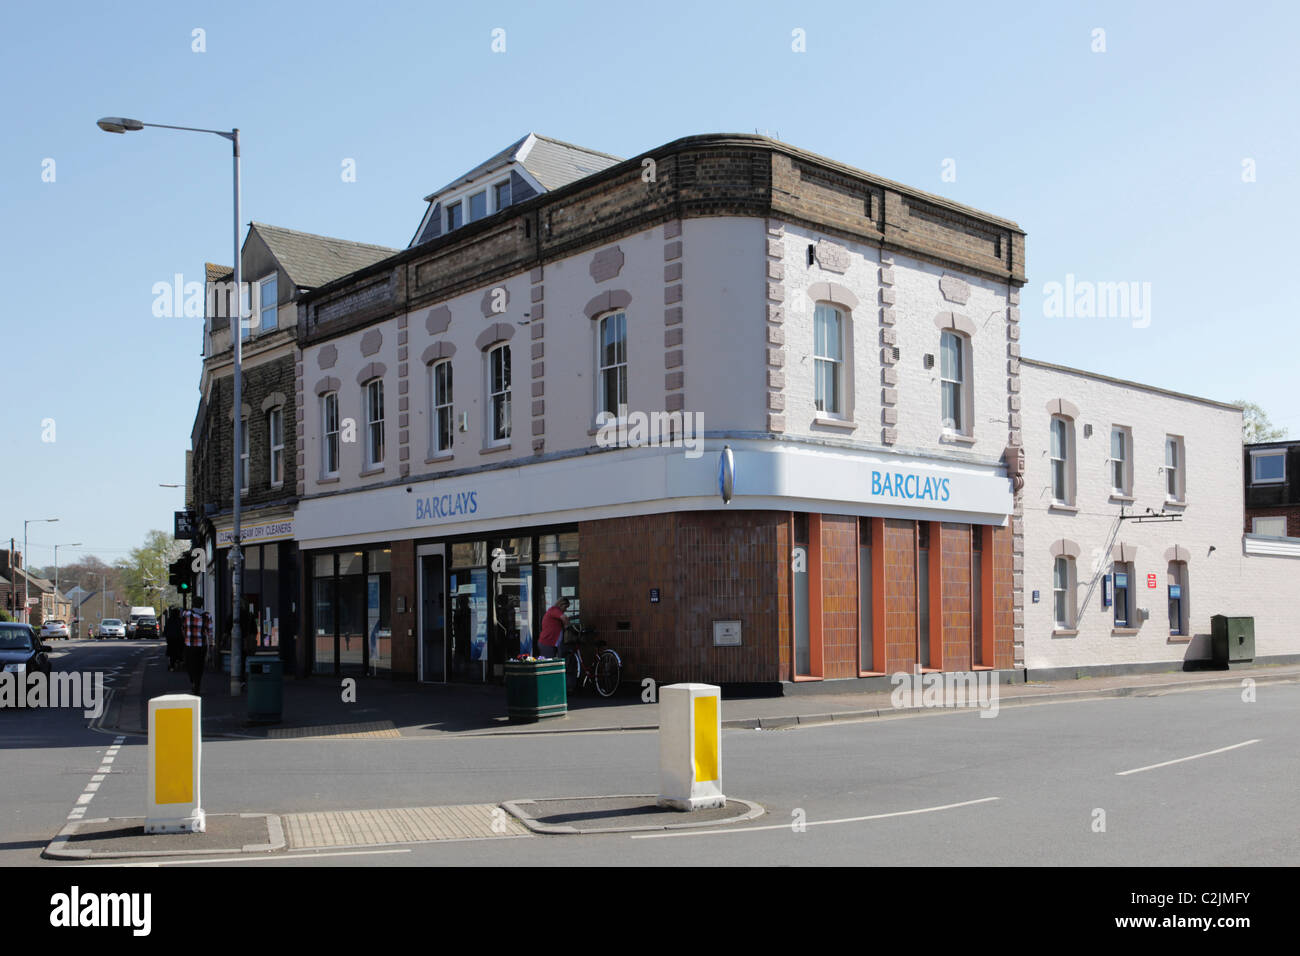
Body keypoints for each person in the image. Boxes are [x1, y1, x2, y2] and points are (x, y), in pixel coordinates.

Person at [181, 597, 212, 695]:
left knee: (189, 665)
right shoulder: (207, 616)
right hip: (201, 645)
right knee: (199, 666)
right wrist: (210, 646)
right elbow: (210, 632)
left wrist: (185, 636)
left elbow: (183, 628)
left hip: (189, 644)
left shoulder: (186, 614)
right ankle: (197, 684)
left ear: (193, 604)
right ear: (202, 605)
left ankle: (193, 680)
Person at [164, 607, 184, 671]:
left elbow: (165, 629)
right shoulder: (180, 620)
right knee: (179, 650)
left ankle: (172, 666)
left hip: (170, 638)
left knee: (171, 651)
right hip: (179, 638)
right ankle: (179, 661)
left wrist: (166, 635)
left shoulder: (169, 620)